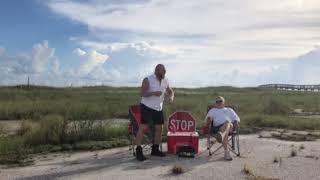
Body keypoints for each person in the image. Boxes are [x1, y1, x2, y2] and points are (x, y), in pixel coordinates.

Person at [135, 64, 175, 161]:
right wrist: (153, 93)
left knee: (159, 128)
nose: (164, 74)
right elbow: (142, 93)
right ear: (157, 71)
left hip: (158, 108)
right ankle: (139, 151)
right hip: (147, 107)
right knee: (143, 127)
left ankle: (155, 150)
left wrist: (171, 97)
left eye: (165, 72)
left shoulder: (165, 80)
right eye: (163, 72)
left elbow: (171, 91)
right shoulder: (148, 79)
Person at [205, 96, 240, 161]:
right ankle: (226, 152)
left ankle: (222, 136)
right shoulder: (212, 110)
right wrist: (209, 120)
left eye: (220, 101)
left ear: (224, 102)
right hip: (217, 128)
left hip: (230, 127)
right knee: (226, 128)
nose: (219, 102)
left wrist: (236, 122)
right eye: (217, 101)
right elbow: (207, 121)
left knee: (227, 122)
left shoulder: (229, 110)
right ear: (215, 103)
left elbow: (236, 118)